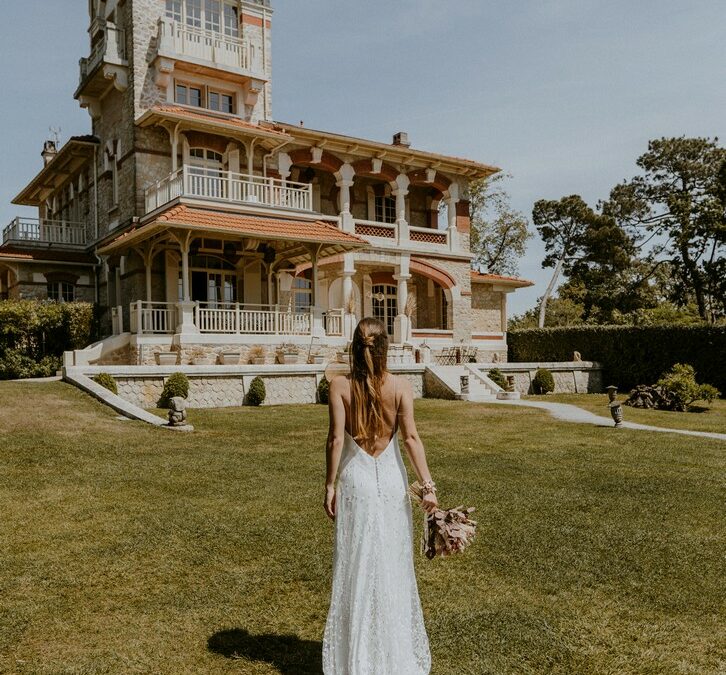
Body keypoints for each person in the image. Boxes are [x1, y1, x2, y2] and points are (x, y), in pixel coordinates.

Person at [322, 317, 438, 675]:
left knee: (356, 564)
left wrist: (330, 484)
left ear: (355, 347)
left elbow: (336, 440)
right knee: (392, 564)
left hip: (356, 480)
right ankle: (390, 650)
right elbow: (411, 439)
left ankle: (358, 653)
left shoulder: (339, 386)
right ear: (385, 347)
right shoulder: (401, 386)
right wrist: (428, 485)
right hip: (390, 481)